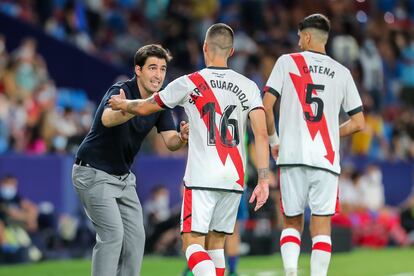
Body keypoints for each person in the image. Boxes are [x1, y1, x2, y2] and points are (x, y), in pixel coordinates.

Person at [109, 23, 270, 276]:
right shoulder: (248, 86)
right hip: (234, 178)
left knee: (192, 243)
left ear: (205, 48)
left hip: (203, 176)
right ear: (232, 51)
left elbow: (147, 106)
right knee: (217, 245)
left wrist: (123, 103)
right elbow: (261, 134)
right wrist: (263, 178)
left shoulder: (189, 83)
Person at [72, 44, 189, 276]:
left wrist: (182, 137)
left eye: (163, 69)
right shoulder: (121, 90)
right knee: (112, 235)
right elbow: (106, 118)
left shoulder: (159, 101)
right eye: (152, 68)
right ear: (138, 69)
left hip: (123, 178)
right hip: (93, 173)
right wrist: (127, 108)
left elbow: (170, 142)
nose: (158, 75)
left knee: (136, 238)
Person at [263, 14, 365, 276]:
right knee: (321, 226)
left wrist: (274, 141)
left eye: (299, 37)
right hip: (326, 159)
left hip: (292, 155)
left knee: (291, 221)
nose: (298, 42)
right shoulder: (342, 73)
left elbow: (266, 106)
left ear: (307, 36)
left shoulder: (287, 63)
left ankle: (290, 272)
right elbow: (358, 122)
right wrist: (331, 132)